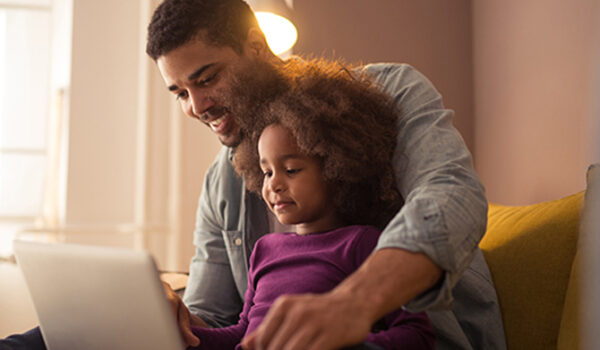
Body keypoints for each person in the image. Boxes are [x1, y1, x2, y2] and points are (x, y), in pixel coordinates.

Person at [0, 0, 505, 349]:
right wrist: (170, 320)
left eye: (207, 78)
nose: (197, 107)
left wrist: (353, 303)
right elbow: (218, 320)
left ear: (258, 46)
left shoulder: (389, 91)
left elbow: (451, 196)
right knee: (55, 338)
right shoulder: (224, 180)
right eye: (179, 93)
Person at [188, 58, 435, 350]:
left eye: (291, 170)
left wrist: (348, 342)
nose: (274, 184)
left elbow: (416, 333)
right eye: (266, 172)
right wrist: (184, 333)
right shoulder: (264, 251)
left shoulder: (362, 244)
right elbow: (243, 334)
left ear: (336, 167)